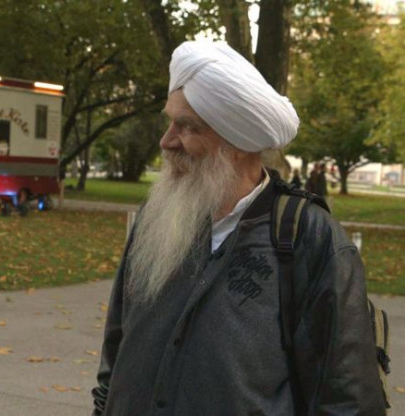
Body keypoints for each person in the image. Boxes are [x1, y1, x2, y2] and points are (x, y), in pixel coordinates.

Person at [92, 41, 384, 416]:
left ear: (237, 142)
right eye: (170, 122)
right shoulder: (157, 215)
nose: (166, 141)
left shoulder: (308, 238)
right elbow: (117, 349)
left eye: (187, 127)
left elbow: (348, 399)